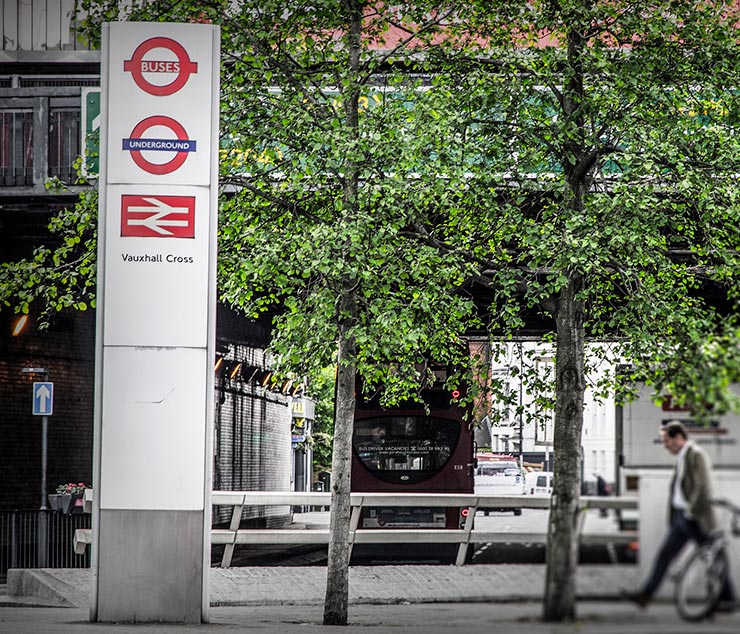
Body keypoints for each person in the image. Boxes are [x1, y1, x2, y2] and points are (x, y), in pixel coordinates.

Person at [624, 420, 736, 610]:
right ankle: (646, 595)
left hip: (695, 518)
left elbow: (704, 486)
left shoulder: (696, 455)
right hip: (682, 519)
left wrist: (690, 511)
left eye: (667, 440)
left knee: (714, 558)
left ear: (678, 437)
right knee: (665, 556)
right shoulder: (683, 456)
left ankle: (728, 598)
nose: (665, 445)